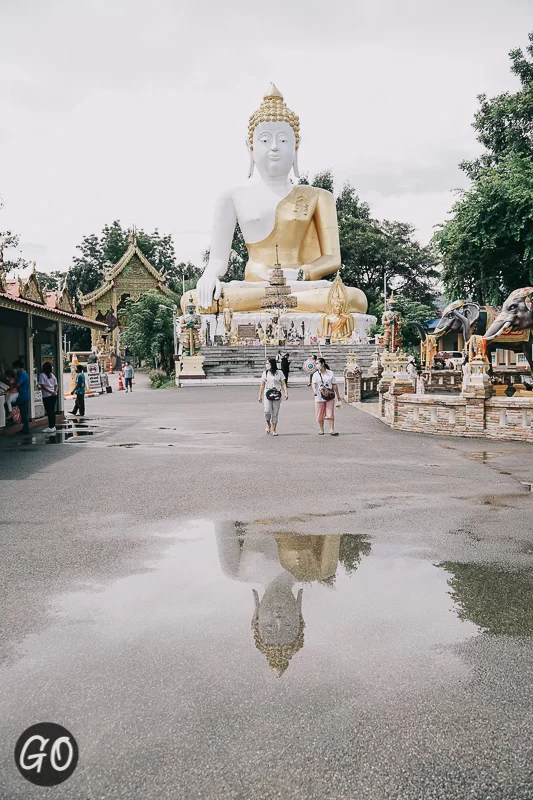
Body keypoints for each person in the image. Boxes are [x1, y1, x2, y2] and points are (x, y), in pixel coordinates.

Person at [258, 357, 288, 436]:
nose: (266, 365)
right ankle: (268, 423)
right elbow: (262, 385)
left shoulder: (279, 372)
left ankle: (274, 429)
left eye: (268, 363)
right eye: (266, 363)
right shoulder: (265, 373)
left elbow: (283, 383)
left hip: (277, 393)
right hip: (267, 393)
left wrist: (286, 393)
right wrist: (260, 395)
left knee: (275, 412)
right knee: (267, 411)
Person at [312, 357, 341, 436]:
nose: (316, 365)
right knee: (319, 412)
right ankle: (321, 429)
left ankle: (332, 429)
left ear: (322, 364)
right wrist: (314, 391)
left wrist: (338, 395)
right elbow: (313, 384)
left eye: (317, 363)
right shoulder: (315, 374)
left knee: (330, 412)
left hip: (329, 395)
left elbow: (334, 384)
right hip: (319, 396)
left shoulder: (330, 373)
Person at [37, 362, 58, 432]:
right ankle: (53, 426)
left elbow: (42, 385)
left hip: (47, 396)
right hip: (54, 396)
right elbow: (56, 385)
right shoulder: (52, 375)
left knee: (49, 411)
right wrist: (54, 391)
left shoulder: (42, 375)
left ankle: (50, 427)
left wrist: (49, 392)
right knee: (52, 411)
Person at [12, 360, 30, 434]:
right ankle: (26, 428)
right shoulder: (25, 373)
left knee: (9, 404)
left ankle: (10, 420)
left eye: (15, 367)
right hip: (26, 395)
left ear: (18, 367)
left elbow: (17, 384)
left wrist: (12, 386)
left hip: (21, 396)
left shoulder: (21, 374)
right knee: (24, 413)